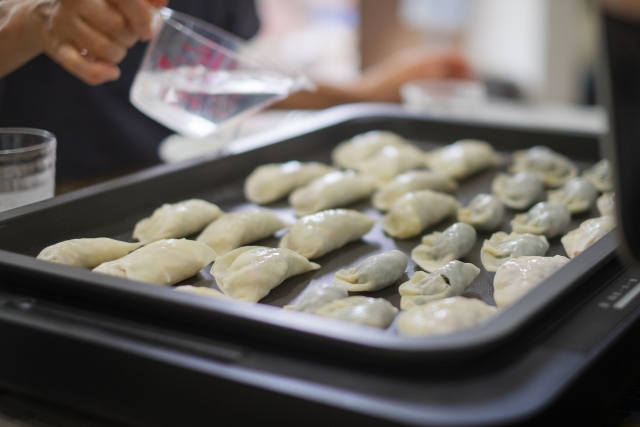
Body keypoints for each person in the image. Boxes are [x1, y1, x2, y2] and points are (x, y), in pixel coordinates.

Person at [0, 0, 470, 187]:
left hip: (156, 186)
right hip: (34, 201)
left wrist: (361, 92)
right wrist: (29, 19)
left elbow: (211, 77)